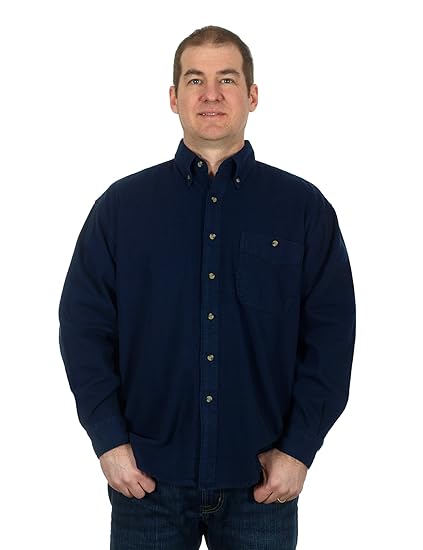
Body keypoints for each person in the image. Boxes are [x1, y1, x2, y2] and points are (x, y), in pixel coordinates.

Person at [58, 25, 356, 550]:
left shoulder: (304, 210)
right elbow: (84, 328)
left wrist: (299, 449)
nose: (211, 94)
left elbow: (330, 339)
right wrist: (108, 441)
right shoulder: (122, 209)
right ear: (174, 97)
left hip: (261, 482)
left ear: (253, 95)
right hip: (146, 480)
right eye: (195, 80)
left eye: (228, 79)